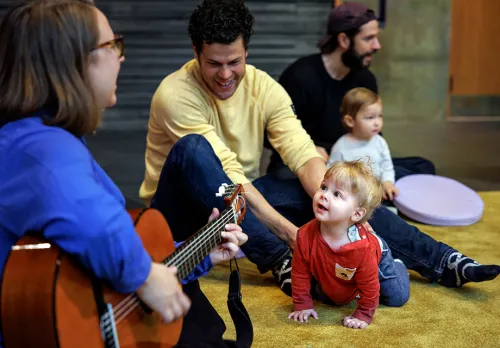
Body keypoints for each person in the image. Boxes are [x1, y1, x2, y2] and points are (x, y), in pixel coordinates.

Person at [140, 0, 500, 302]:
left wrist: (335, 203)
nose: (224, 74)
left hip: (240, 202)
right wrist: (293, 236)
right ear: (195, 53)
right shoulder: (175, 95)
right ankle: (284, 262)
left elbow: (302, 153)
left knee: (335, 188)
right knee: (194, 150)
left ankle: (442, 261)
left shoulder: (264, 87)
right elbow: (228, 174)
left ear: (246, 51)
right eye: (213, 63)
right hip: (182, 215)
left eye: (234, 62)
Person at [0, 1, 247, 347]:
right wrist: (145, 277)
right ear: (74, 61)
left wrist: (202, 252)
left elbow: (112, 243)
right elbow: (101, 228)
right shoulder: (45, 149)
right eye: (112, 45)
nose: (121, 57)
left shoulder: (32, 138)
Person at [266, 2, 436, 182]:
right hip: (308, 165)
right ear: (344, 40)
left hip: (353, 164)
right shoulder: (300, 76)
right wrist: (309, 148)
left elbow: (373, 132)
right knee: (285, 177)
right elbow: (269, 134)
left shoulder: (365, 80)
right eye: (368, 38)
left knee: (423, 167)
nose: (377, 45)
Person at [288, 160, 409, 329]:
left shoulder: (363, 248)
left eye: (337, 194)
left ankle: (398, 265)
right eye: (323, 187)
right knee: (330, 298)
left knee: (397, 297)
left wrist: (364, 314)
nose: (324, 195)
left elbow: (370, 286)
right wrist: (303, 304)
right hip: (339, 267)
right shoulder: (304, 235)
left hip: (378, 259)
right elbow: (300, 273)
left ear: (357, 213)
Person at [328, 87, 399, 204]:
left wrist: (387, 182)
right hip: (351, 198)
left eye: (380, 116)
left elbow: (387, 166)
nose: (377, 122)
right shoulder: (341, 146)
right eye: (370, 117)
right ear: (350, 121)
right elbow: (331, 172)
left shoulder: (380, 142)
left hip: (378, 194)